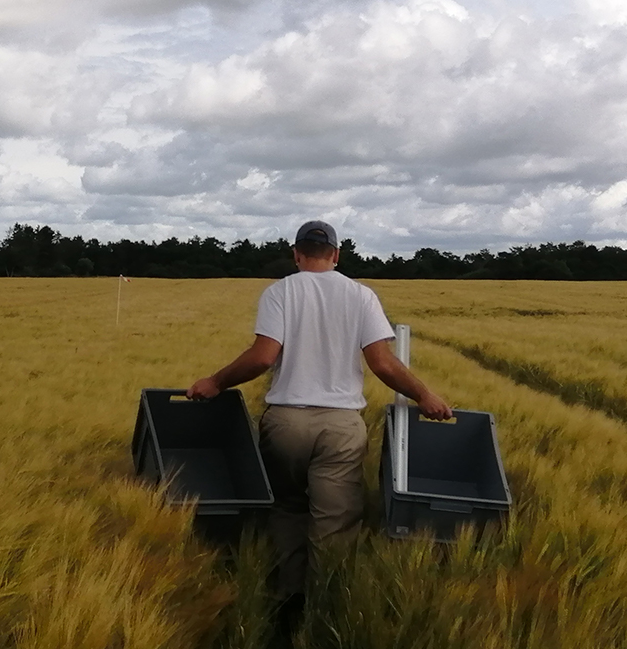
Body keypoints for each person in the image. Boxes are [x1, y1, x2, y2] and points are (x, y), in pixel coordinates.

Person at [186, 220, 453, 599]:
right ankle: (326, 607)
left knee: (287, 510)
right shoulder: (361, 295)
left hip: (287, 422)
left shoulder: (280, 292)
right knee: (335, 523)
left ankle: (284, 600)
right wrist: (424, 396)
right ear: (337, 255)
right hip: (340, 427)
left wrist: (215, 382)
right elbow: (382, 364)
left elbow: (262, 358)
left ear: (296, 254)